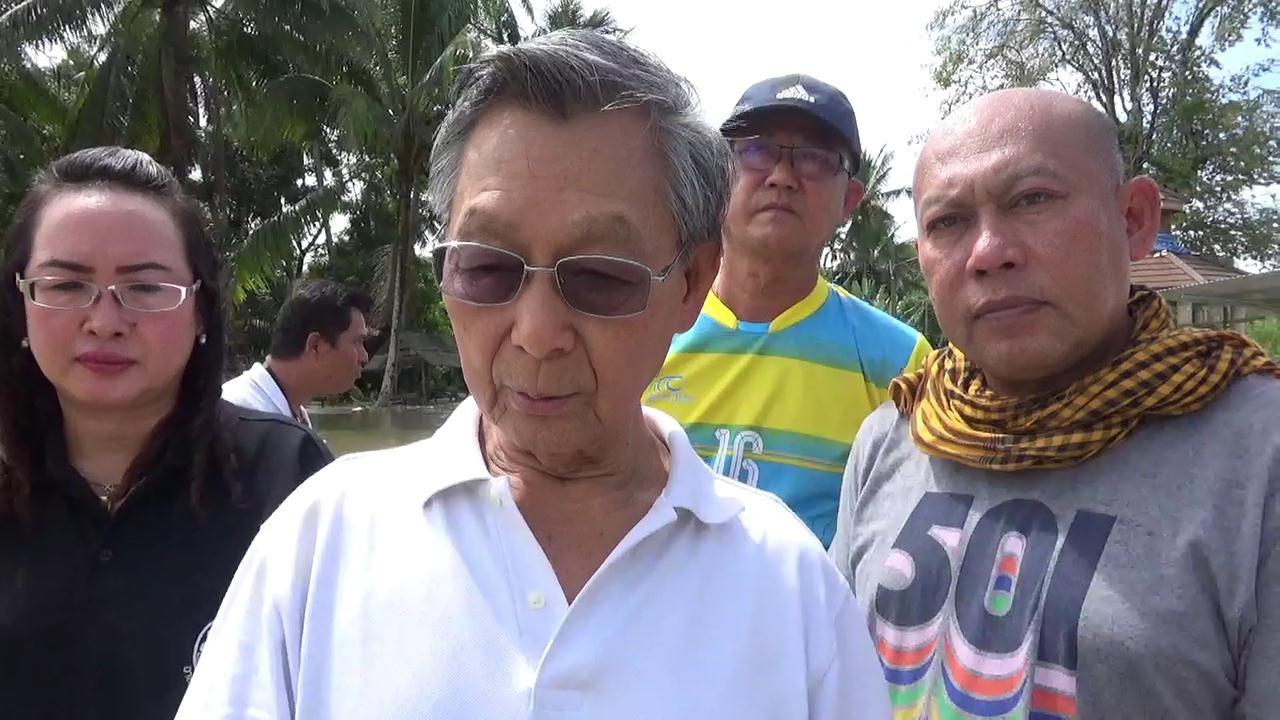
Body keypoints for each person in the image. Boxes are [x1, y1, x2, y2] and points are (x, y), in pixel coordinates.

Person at [178, 31, 889, 719]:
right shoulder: (320, 544)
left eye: (601, 277)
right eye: (488, 268)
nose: (538, 334)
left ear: (692, 283)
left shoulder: (791, 589)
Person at [828, 88, 1280, 718]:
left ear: (1134, 220)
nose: (989, 253)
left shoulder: (1258, 455)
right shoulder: (893, 439)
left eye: (1033, 200)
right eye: (948, 222)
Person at [0, 147, 333, 720]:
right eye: (66, 285)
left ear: (200, 311)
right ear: (21, 306)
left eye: (147, 288)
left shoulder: (290, 479)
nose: (104, 321)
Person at [645, 73, 931, 548]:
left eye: (815, 159)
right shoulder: (644, 329)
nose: (782, 176)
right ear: (718, 177)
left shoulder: (899, 362)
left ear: (849, 201)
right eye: (757, 151)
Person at [221, 279, 371, 426]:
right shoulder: (240, 416)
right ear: (316, 346)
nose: (365, 357)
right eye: (357, 342)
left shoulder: (290, 412)